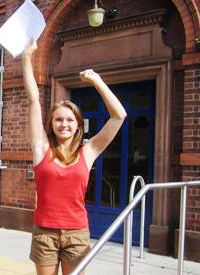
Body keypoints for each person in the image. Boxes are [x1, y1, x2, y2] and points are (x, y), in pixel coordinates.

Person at [22, 41, 127, 275]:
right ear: (51, 124)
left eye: (70, 120)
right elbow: (33, 100)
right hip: (45, 233)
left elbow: (119, 116)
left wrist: (97, 81)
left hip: (77, 233)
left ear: (78, 125)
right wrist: (27, 58)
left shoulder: (87, 152)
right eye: (59, 119)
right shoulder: (41, 148)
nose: (64, 124)